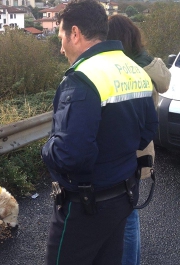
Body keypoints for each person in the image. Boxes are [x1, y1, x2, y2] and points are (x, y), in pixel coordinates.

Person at [40, 1, 158, 264]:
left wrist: (47, 149)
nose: (61, 48)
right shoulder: (134, 70)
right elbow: (148, 129)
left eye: (61, 37)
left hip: (84, 206)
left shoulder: (82, 78)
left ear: (75, 33)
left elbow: (72, 154)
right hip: (123, 196)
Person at [107, 14, 171, 265]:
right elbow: (165, 84)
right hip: (143, 146)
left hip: (118, 149)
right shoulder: (147, 63)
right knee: (129, 209)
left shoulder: (114, 67)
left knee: (125, 214)